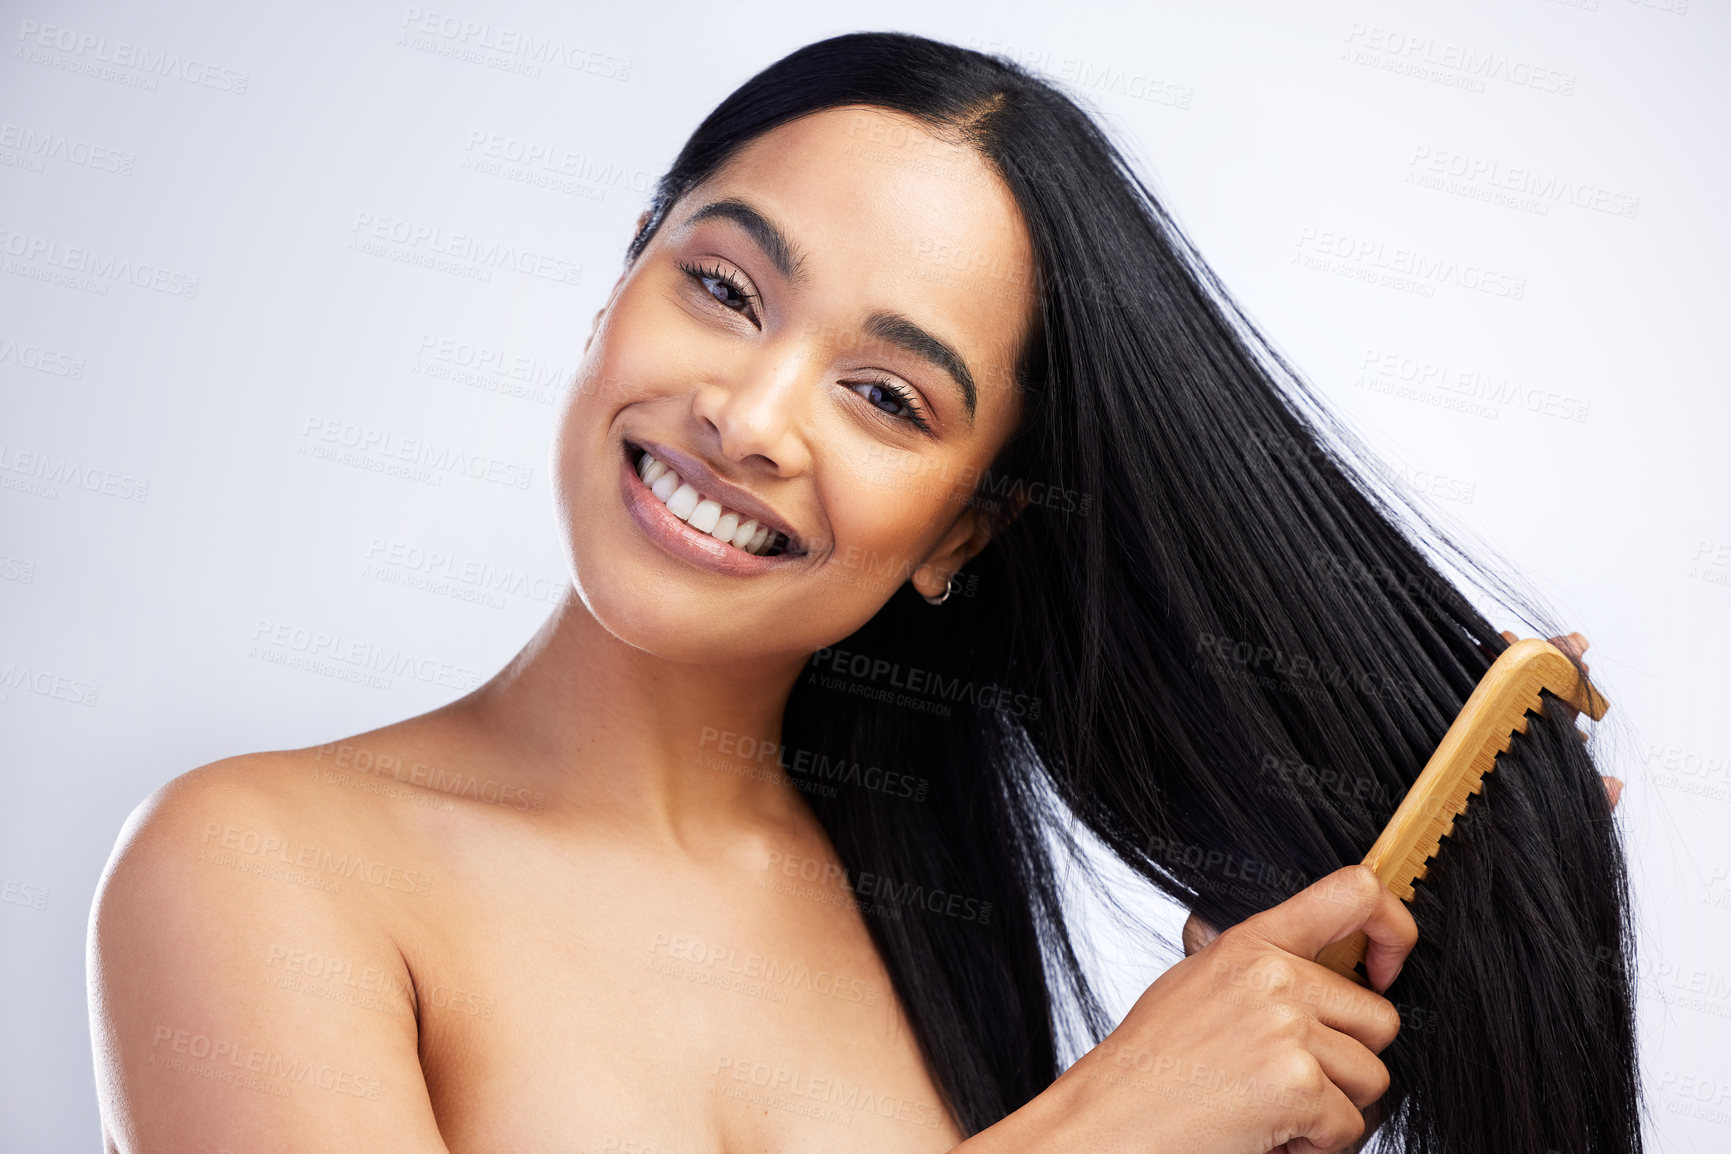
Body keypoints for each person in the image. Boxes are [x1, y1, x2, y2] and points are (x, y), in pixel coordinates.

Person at [86, 32, 1631, 1154]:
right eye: (724, 287)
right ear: (621, 273)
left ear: (970, 526)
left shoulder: (924, 919)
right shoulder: (256, 869)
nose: (751, 417)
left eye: (889, 398)